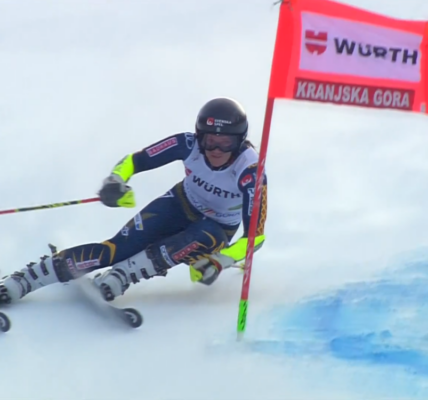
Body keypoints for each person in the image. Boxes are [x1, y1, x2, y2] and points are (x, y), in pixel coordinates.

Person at [0, 97, 268, 305]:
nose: (217, 150)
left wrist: (222, 260)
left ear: (239, 141)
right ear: (200, 136)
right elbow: (136, 160)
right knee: (116, 249)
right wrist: (116, 180)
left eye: (226, 143)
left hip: (216, 229)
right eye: (210, 142)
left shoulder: (250, 173)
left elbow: (255, 237)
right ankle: (27, 278)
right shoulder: (187, 144)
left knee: (195, 237)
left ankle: (125, 274)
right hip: (179, 204)